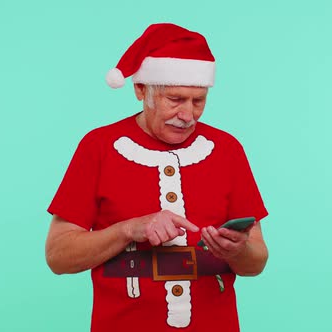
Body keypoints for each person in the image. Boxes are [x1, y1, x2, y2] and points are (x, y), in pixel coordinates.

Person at [45, 23, 269, 332]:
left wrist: (238, 250)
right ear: (140, 89)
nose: (188, 115)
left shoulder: (227, 150)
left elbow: (257, 262)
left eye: (198, 100)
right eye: (175, 99)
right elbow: (58, 256)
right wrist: (128, 229)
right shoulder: (98, 147)